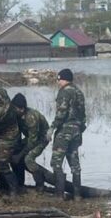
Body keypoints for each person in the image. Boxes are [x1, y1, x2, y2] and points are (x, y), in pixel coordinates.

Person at [49, 68, 86, 200]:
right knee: (74, 163)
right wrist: (80, 129)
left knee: (56, 162)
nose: (58, 83)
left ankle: (59, 195)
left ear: (63, 79)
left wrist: (52, 127)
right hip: (76, 132)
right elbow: (83, 116)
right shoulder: (79, 92)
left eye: (59, 80)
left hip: (64, 131)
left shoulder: (64, 92)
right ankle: (77, 195)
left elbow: (61, 113)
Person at [11, 93, 50, 192]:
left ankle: (40, 183)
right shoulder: (17, 115)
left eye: (15, 108)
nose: (13, 110)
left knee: (28, 159)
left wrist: (20, 155)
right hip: (31, 137)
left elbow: (33, 141)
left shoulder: (31, 118)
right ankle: (20, 183)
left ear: (22, 109)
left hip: (42, 138)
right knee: (14, 153)